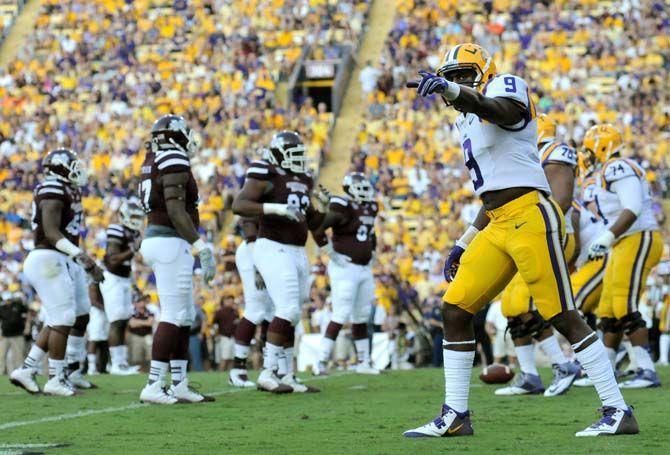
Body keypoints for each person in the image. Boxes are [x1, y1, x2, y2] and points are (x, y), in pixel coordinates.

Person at [403, 43, 636, 438]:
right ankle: (455, 414)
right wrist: (463, 241)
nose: (455, 82)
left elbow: (505, 112)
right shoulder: (465, 120)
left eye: (463, 74)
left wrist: (455, 91)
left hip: (529, 213)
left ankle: (617, 409)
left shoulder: (506, 87)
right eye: (450, 76)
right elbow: (491, 188)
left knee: (562, 314)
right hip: (496, 221)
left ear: (484, 71)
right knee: (456, 309)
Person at [232, 131, 323, 393]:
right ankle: (268, 371)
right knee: (285, 309)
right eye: (292, 154)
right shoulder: (265, 171)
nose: (298, 159)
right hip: (273, 246)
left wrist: (324, 209)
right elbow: (240, 205)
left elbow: (313, 221)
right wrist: (275, 209)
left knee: (293, 313)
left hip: (297, 249)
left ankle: (288, 374)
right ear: (278, 154)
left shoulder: (304, 178)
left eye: (299, 154)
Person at [496, 114, 580, 397]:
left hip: (549, 233)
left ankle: (562, 363)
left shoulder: (554, 151)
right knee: (510, 306)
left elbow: (562, 199)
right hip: (524, 233)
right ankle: (530, 374)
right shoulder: (524, 154)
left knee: (523, 303)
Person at [10, 148, 103, 396]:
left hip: (60, 258)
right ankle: (55, 377)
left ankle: (29, 369)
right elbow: (51, 232)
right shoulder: (52, 188)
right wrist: (83, 257)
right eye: (72, 164)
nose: (77, 169)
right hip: (48, 257)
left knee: (76, 314)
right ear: (60, 167)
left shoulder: (67, 189)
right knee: (62, 317)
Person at [138, 114, 216, 404]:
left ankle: (180, 383)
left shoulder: (153, 158)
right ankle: (154, 383)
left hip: (163, 240)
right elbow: (174, 208)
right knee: (172, 315)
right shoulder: (172, 157)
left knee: (184, 316)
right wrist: (200, 245)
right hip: (169, 241)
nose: (189, 139)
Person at [583, 124, 663, 389]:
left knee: (624, 306)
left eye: (589, 149)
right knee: (608, 310)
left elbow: (633, 207)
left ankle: (646, 370)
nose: (587, 155)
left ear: (601, 146)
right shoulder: (610, 170)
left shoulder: (617, 167)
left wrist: (606, 237)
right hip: (623, 241)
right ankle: (606, 371)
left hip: (638, 237)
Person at [312, 172, 379, 375]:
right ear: (349, 188)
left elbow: (370, 232)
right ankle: (321, 361)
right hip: (345, 267)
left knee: (362, 315)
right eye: (360, 187)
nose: (364, 190)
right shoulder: (343, 206)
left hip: (364, 267)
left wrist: (372, 251)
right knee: (341, 313)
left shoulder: (371, 207)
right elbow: (317, 228)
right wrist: (329, 251)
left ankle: (364, 362)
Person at [99, 197, 144, 375]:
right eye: (132, 215)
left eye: (137, 216)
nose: (135, 219)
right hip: (113, 279)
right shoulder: (116, 229)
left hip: (124, 279)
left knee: (124, 320)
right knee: (117, 320)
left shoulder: (133, 233)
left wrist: (134, 284)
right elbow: (113, 259)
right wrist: (133, 250)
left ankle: (121, 362)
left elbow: (126, 264)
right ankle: (116, 364)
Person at [229, 217, 273, 388]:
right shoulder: (258, 192)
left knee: (272, 310)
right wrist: (258, 265)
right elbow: (248, 221)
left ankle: (271, 367)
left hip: (271, 252)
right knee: (256, 309)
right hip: (252, 252)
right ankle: (237, 369)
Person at [0, 292, 29, 374]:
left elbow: (27, 311)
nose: (7, 302)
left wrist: (22, 300)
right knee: (1, 356)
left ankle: (19, 373)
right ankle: (1, 373)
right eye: (6, 300)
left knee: (19, 355)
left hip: (17, 335)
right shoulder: (1, 308)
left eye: (9, 300)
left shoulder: (18, 305)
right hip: (5, 336)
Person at [86, 283, 108, 375]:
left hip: (102, 314)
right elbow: (93, 301)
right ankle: (91, 368)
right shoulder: (93, 284)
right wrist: (107, 308)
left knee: (104, 341)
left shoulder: (102, 283)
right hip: (95, 314)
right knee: (94, 339)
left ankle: (103, 368)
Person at [127, 296, 155, 369]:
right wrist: (145, 322)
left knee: (150, 355)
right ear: (136, 303)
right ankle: (138, 370)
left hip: (147, 336)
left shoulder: (149, 311)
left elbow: (150, 323)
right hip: (135, 336)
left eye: (143, 302)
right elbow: (132, 324)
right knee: (136, 356)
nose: (141, 304)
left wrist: (137, 322)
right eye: (139, 302)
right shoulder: (132, 311)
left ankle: (148, 371)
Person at [214, 295, 239, 372]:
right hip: (224, 337)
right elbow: (214, 324)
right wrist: (216, 335)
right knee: (224, 357)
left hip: (233, 337)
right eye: (228, 301)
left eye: (232, 301)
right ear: (224, 302)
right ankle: (220, 374)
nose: (230, 302)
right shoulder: (219, 312)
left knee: (232, 358)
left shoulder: (235, 312)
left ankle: (230, 374)